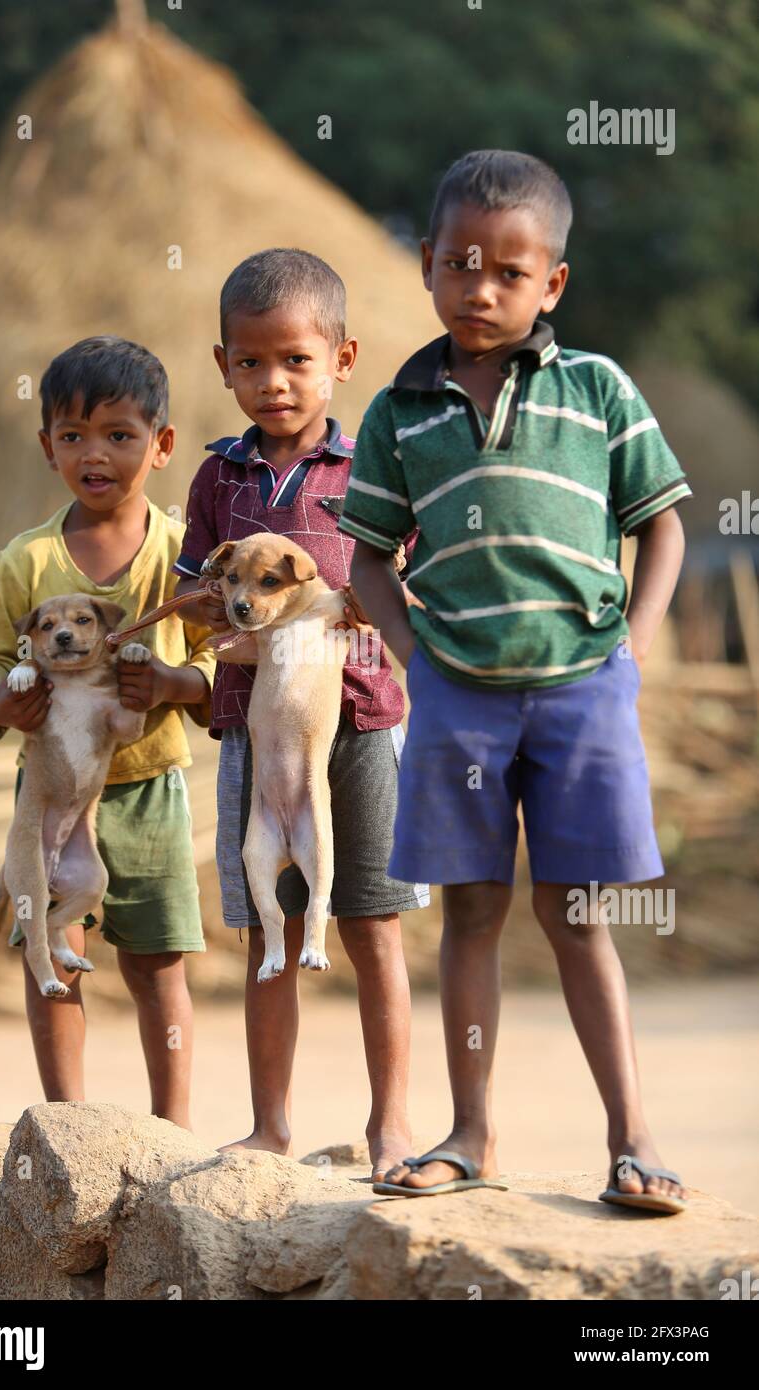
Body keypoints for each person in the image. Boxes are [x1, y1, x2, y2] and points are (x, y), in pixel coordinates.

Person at [340, 151, 691, 1211]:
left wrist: (628, 644)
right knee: (470, 914)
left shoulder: (594, 391)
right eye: (459, 265)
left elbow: (660, 523)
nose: (479, 289)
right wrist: (419, 664)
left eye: (507, 272)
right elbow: (365, 555)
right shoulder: (397, 413)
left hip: (582, 686)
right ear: (426, 265)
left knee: (576, 911)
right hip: (458, 700)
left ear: (552, 285)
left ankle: (631, 1140)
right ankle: (470, 1132)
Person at [173, 248, 429, 1182]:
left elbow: (410, 575)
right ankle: (270, 1126)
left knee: (371, 921)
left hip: (360, 719)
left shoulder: (372, 469)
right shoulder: (216, 481)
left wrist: (379, 607)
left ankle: (390, 1128)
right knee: (268, 925)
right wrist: (215, 619)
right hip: (253, 725)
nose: (272, 383)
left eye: (296, 361)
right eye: (250, 363)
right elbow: (198, 588)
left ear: (342, 359)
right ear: (222, 365)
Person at [0, 335, 215, 1128]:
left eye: (119, 434)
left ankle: (171, 1131)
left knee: (157, 961)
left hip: (149, 792)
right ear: (47, 448)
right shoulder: (25, 561)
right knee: (51, 949)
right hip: (49, 790)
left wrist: (175, 684)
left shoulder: (183, 558)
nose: (93, 454)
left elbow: (219, 662)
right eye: (72, 436)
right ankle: (66, 1125)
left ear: (163, 444)